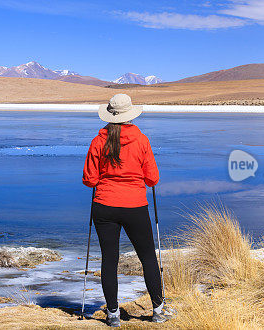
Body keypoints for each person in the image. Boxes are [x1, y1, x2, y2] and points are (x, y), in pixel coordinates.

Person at [82, 94, 174, 327]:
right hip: (135, 207)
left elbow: (89, 180)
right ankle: (158, 310)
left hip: (104, 206)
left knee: (109, 260)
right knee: (148, 259)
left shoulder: (97, 141)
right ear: (130, 114)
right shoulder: (142, 140)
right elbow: (152, 179)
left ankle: (113, 315)